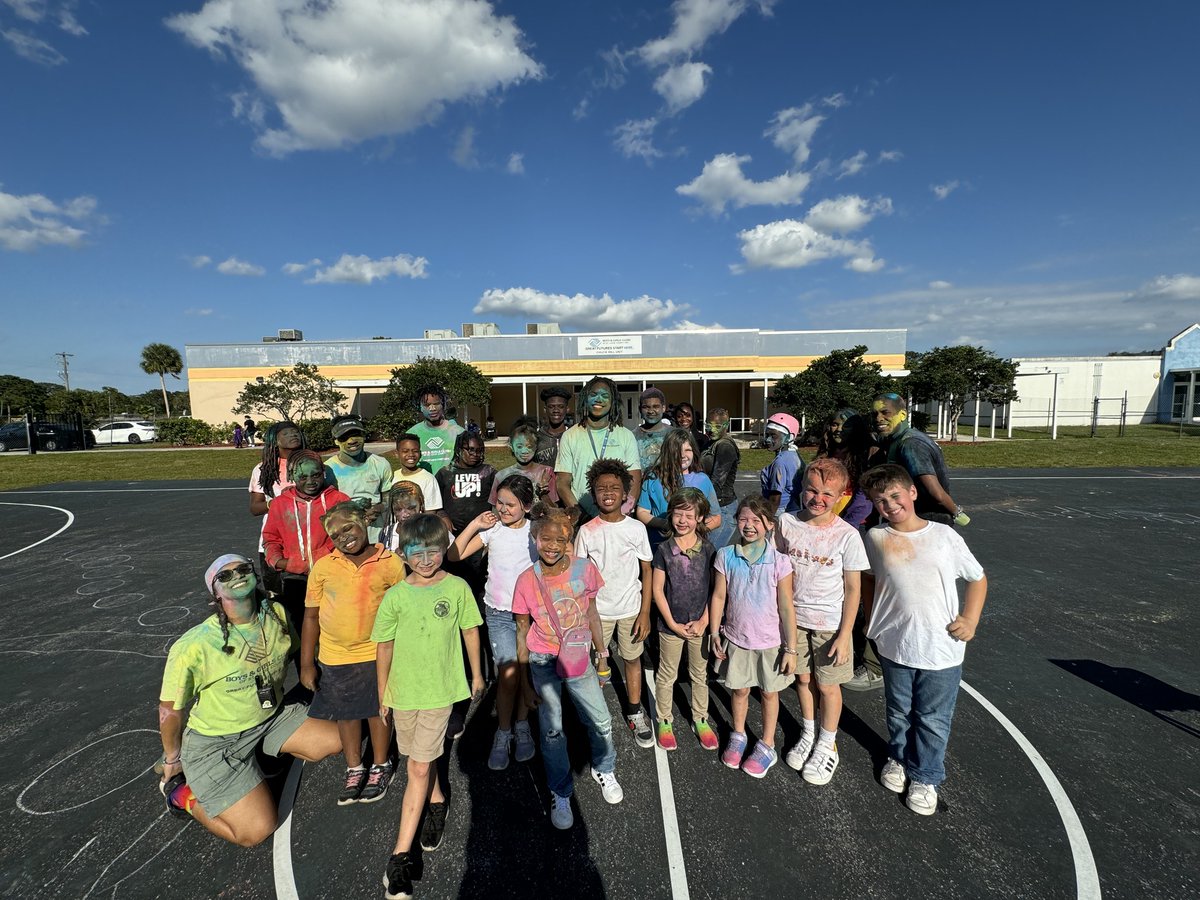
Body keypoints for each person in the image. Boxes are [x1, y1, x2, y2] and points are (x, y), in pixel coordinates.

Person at [157, 555, 340, 846]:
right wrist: (172, 758)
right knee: (256, 831)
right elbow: (170, 710)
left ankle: (262, 755)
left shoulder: (276, 614)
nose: (237, 576)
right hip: (217, 742)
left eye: (243, 569)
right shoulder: (196, 645)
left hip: (270, 717)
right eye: (225, 576)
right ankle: (180, 795)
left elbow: (295, 652)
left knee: (334, 741)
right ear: (215, 593)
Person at [859, 464, 988, 816]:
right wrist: (872, 616)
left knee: (932, 717)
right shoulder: (876, 538)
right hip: (895, 644)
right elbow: (869, 579)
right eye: (880, 501)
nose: (889, 505)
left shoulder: (945, 537)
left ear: (913, 492)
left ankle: (926, 775)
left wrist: (970, 619)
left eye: (895, 496)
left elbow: (977, 579)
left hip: (941, 648)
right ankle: (899, 758)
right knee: (899, 710)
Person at [373, 514, 485, 898]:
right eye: (416, 553)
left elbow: (470, 630)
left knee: (418, 767)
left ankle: (399, 859)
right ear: (402, 554)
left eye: (433, 552)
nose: (425, 560)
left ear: (444, 550)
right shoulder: (396, 596)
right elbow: (383, 646)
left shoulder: (456, 588)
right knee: (421, 757)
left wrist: (476, 675)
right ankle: (438, 802)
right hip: (404, 693)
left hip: (440, 690)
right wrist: (383, 692)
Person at [513, 504, 623, 830]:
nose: (551, 546)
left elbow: (591, 614)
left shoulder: (584, 570)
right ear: (534, 538)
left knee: (601, 720)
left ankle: (604, 767)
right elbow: (521, 630)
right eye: (544, 539)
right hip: (543, 660)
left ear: (568, 541)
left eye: (559, 540)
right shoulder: (525, 581)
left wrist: (602, 654)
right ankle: (560, 791)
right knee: (551, 731)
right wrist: (523, 682)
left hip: (578, 657)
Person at [301, 503, 407, 806]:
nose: (343, 537)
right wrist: (308, 662)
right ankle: (354, 767)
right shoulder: (324, 567)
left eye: (348, 527)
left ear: (363, 521)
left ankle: (380, 764)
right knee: (347, 714)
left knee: (378, 710)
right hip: (336, 656)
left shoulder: (389, 563)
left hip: (378, 652)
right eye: (335, 534)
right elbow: (310, 617)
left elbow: (403, 609)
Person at [774, 459, 868, 785]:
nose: (818, 498)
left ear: (842, 495)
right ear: (801, 489)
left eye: (828, 494)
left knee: (828, 685)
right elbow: (777, 570)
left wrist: (845, 635)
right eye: (812, 490)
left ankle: (828, 743)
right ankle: (808, 731)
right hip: (794, 620)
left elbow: (854, 588)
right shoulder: (786, 523)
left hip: (830, 625)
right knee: (802, 681)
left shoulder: (847, 535)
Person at [450, 474, 538, 770]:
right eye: (499, 502)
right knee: (508, 673)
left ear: (527, 506)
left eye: (510, 504)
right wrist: (476, 524)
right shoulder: (493, 531)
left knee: (526, 671)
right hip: (499, 613)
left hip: (531, 616)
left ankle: (522, 724)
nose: (502, 509)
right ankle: (503, 731)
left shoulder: (536, 532)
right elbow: (454, 553)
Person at [709, 495, 797, 778]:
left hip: (770, 642)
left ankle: (767, 744)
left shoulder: (779, 562)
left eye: (756, 520)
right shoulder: (726, 555)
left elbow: (786, 605)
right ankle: (738, 734)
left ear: (769, 525)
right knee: (740, 690)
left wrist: (790, 648)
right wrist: (714, 632)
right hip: (737, 638)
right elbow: (719, 596)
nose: (749, 526)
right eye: (744, 519)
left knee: (770, 693)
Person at [573, 459, 655, 749]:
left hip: (631, 610)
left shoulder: (636, 529)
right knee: (591, 665)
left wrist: (645, 612)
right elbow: (578, 574)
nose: (608, 492)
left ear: (625, 494)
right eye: (601, 488)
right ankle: (592, 715)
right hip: (597, 614)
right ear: (593, 493)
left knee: (632, 659)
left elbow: (647, 571)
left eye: (614, 487)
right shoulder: (586, 531)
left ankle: (635, 711)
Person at [650, 487, 719, 751]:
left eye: (689, 515)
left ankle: (700, 718)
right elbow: (657, 589)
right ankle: (664, 719)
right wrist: (670, 623)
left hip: (699, 625)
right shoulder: (664, 550)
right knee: (667, 674)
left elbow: (716, 591)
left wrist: (704, 621)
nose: (682, 521)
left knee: (699, 674)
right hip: (671, 626)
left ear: (700, 518)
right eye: (678, 514)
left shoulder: (709, 550)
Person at [262, 450, 351, 645]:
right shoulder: (279, 505)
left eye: (316, 475)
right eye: (303, 476)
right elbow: (270, 539)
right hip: (295, 578)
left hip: (332, 575)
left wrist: (324, 557)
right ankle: (307, 670)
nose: (310, 481)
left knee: (333, 627)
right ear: (292, 477)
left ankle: (331, 668)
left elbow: (348, 537)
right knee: (301, 630)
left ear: (323, 473)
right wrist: (281, 562)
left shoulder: (339, 500)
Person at [871, 393, 970, 528]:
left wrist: (956, 512)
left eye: (885, 413)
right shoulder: (899, 439)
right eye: (874, 414)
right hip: (914, 518)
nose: (878, 418)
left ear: (903, 415)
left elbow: (936, 493)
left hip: (927, 519)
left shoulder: (910, 445)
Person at [554, 375, 642, 519]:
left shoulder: (626, 435)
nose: (599, 399)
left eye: (605, 395)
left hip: (618, 518)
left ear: (613, 401)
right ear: (584, 399)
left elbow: (635, 480)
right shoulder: (570, 435)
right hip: (583, 518)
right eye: (593, 395)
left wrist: (622, 514)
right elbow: (562, 483)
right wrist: (580, 515)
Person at [636, 427, 721, 552]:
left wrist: (693, 528)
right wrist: (666, 524)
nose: (683, 455)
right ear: (667, 452)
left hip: (692, 549)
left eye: (688, 450)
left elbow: (716, 518)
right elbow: (642, 512)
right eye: (677, 450)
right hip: (659, 547)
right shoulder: (653, 478)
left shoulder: (702, 479)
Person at [435, 431, 497, 600]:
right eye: (469, 449)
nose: (474, 454)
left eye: (478, 450)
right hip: (452, 538)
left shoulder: (489, 472)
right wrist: (442, 514)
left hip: (480, 538)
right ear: (458, 449)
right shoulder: (445, 473)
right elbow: (434, 502)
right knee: (454, 578)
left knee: (478, 580)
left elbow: (498, 501)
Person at [248, 421, 305, 596]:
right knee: (278, 599)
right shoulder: (263, 469)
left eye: (295, 432)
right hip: (276, 543)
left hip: (308, 542)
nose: (293, 436)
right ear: (274, 440)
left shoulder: (314, 465)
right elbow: (255, 508)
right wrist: (277, 502)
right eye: (286, 434)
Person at [323, 414, 393, 541]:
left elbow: (388, 498)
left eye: (356, 434)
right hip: (345, 538)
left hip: (377, 535)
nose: (352, 441)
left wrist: (379, 508)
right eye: (344, 437)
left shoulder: (380, 463)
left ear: (364, 436)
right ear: (336, 441)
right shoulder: (328, 469)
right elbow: (324, 506)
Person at [489, 417, 560, 506]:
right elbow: (496, 508)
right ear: (511, 447)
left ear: (536, 446)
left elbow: (553, 509)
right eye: (519, 446)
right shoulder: (501, 476)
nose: (524, 451)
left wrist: (543, 492)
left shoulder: (546, 473)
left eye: (529, 446)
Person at [699, 407, 741, 549]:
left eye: (717, 426)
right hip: (711, 504)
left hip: (723, 508)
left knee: (708, 553)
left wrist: (699, 504)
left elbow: (717, 481)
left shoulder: (725, 446)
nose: (711, 430)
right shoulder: (711, 442)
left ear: (726, 425)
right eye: (708, 425)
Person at [409, 385, 464, 476]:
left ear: (443, 405)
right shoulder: (412, 434)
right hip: (423, 487)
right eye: (427, 405)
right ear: (420, 407)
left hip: (451, 487)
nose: (432, 408)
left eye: (436, 404)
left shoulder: (458, 432)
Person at [761, 412, 806, 516]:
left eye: (773, 436)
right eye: (767, 435)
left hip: (779, 510)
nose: (768, 440)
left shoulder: (780, 462)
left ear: (789, 437)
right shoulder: (794, 455)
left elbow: (775, 497)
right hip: (793, 506)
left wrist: (767, 519)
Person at [392, 432, 446, 512]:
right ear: (396, 454)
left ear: (420, 454)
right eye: (405, 451)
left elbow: (431, 512)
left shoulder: (428, 479)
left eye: (415, 451)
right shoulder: (393, 476)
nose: (411, 454)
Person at [633, 387, 671, 472]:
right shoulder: (632, 436)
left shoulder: (674, 434)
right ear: (640, 409)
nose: (651, 411)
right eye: (646, 407)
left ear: (664, 408)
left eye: (656, 406)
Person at [533, 386, 572, 466]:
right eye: (551, 407)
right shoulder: (536, 438)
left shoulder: (574, 436)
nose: (556, 411)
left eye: (561, 407)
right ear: (545, 409)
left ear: (567, 409)